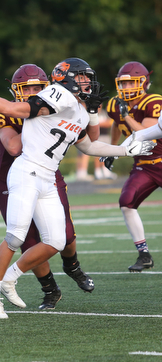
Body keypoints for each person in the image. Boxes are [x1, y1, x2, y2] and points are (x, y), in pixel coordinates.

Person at [0, 57, 156, 319]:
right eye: (83, 77)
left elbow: (89, 145)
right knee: (16, 236)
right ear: (66, 77)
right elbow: (19, 112)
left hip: (48, 176)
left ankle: (10, 279)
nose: (88, 82)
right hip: (26, 171)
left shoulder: (77, 106)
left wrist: (125, 150)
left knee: (56, 240)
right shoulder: (56, 93)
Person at [0, 64, 95, 311]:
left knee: (65, 235)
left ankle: (73, 266)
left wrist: (91, 113)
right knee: (26, 240)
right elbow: (14, 148)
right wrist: (32, 116)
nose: (32, 92)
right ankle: (49, 289)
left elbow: (89, 139)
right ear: (15, 91)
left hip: (48, 174)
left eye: (38, 88)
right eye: (26, 89)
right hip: (12, 179)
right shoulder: (9, 111)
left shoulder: (56, 106)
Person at [104, 61, 162, 272]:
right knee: (127, 203)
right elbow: (116, 124)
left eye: (131, 83)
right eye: (124, 84)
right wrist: (111, 149)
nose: (127, 88)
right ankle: (143, 254)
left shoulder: (154, 101)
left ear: (144, 83)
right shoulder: (115, 105)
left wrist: (127, 115)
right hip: (144, 165)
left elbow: (147, 134)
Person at [93, 106, 117, 180]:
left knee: (106, 153)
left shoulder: (104, 113)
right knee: (97, 154)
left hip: (105, 135)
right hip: (97, 136)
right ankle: (97, 171)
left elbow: (110, 123)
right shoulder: (93, 113)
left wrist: (100, 123)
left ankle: (106, 170)